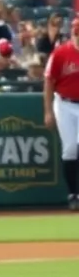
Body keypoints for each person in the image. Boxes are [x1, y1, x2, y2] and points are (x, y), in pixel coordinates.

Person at [43, 17, 79, 210]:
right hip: (64, 104)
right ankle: (73, 194)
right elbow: (49, 82)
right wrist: (48, 111)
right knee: (71, 148)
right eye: (76, 31)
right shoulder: (60, 53)